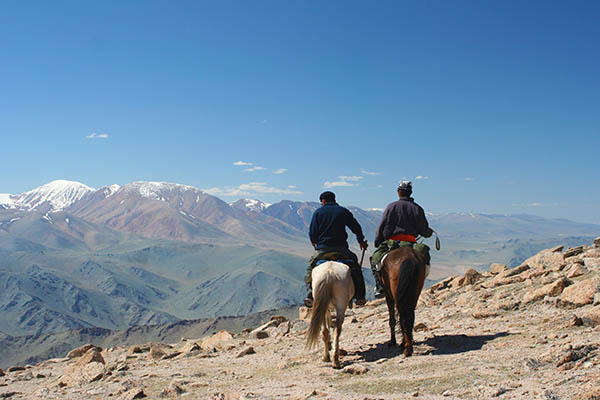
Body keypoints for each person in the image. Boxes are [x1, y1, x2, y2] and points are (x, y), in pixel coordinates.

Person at [304, 191, 368, 308]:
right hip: (341, 248)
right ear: (334, 199)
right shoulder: (343, 211)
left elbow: (312, 232)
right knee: (355, 267)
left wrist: (315, 242)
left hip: (323, 248)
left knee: (311, 267)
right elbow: (356, 227)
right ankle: (360, 295)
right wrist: (361, 241)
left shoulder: (318, 212)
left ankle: (309, 294)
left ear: (323, 201)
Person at [370, 181, 433, 298]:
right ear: (410, 192)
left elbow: (382, 226)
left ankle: (379, 286)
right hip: (411, 243)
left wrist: (378, 241)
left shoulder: (391, 207)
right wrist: (429, 233)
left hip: (392, 243)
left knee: (375, 260)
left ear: (399, 192)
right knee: (426, 261)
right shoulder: (417, 208)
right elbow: (424, 230)